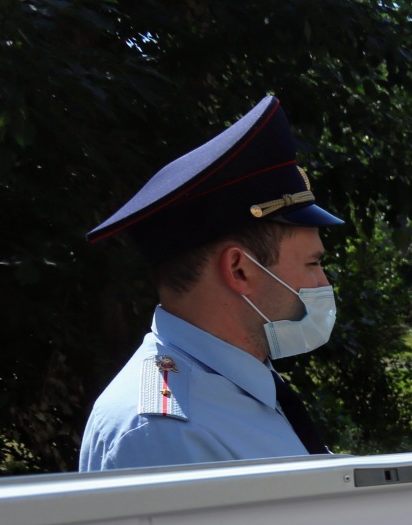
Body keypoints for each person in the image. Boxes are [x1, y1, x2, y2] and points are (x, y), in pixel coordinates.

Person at [78, 95, 343, 471]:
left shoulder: (230, 388)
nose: (322, 281)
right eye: (313, 263)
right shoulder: (165, 432)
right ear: (239, 270)